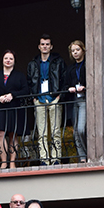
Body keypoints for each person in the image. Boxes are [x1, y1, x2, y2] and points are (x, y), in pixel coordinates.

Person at [27, 34, 65, 164]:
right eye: (42, 44)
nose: (45, 46)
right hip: (39, 99)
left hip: (54, 98)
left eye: (47, 44)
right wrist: (34, 97)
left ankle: (56, 158)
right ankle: (44, 159)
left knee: (55, 131)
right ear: (39, 46)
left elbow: (63, 79)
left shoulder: (58, 61)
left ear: (51, 46)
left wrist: (59, 96)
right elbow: (29, 81)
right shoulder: (33, 63)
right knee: (41, 132)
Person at [0, 49, 28, 169]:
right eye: (6, 58)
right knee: (0, 133)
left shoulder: (19, 75)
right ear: (2, 60)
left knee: (13, 134)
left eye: (11, 58)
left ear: (14, 61)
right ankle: (4, 161)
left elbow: (25, 90)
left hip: (14, 107)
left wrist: (13, 95)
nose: (8, 60)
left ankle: (12, 162)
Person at [64, 39, 87, 162]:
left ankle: (89, 153)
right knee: (75, 132)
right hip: (74, 100)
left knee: (81, 129)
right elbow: (66, 84)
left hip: (84, 99)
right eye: (73, 51)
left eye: (77, 50)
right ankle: (82, 157)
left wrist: (84, 87)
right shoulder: (70, 69)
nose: (75, 52)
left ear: (83, 50)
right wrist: (70, 88)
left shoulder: (87, 65)